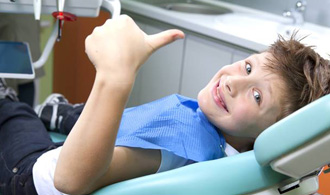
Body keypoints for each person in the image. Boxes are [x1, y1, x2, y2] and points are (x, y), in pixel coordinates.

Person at [0, 15, 329, 195]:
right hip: (84, 148)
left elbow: (70, 180)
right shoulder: (219, 145)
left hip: (32, 174)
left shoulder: (178, 150)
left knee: (16, 114)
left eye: (257, 96)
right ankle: (66, 114)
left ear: (266, 135)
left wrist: (115, 76)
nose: (233, 81)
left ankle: (20, 102)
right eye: (247, 67)